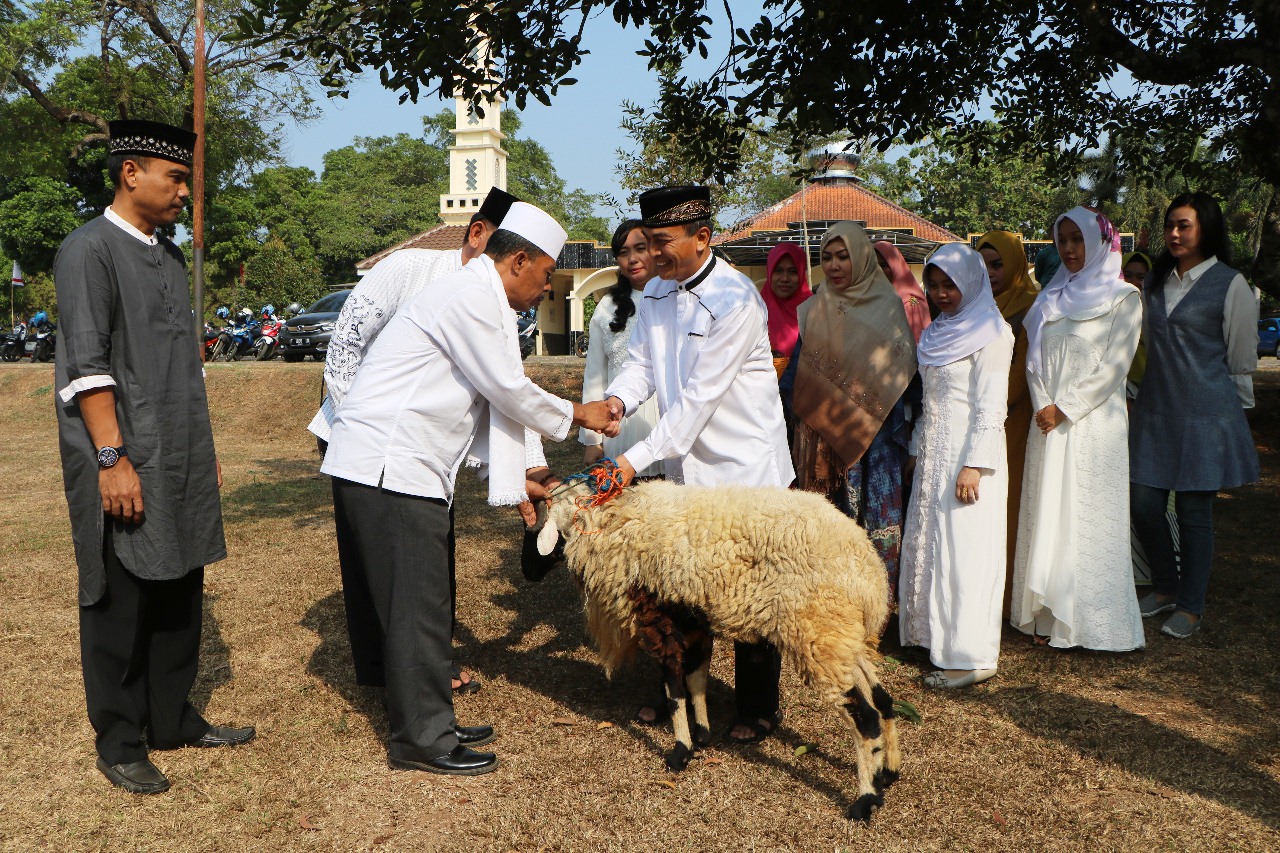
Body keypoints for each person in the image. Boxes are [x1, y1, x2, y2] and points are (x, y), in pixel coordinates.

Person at [321, 201, 619, 776]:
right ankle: (422, 738)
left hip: (396, 466)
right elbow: (508, 390)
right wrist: (579, 414)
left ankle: (431, 717)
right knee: (417, 605)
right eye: (546, 274)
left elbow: (484, 409)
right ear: (519, 260)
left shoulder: (481, 296)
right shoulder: (472, 295)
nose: (546, 287)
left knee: (425, 602)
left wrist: (522, 478)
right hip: (391, 467)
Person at [53, 119, 254, 795]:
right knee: (122, 595)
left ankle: (170, 716)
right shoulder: (88, 251)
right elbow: (86, 366)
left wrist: (205, 449)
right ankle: (120, 736)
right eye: (175, 179)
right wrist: (111, 457)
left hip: (180, 452)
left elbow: (184, 364)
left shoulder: (170, 257)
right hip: (125, 453)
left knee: (179, 587)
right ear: (130, 172)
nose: (182, 195)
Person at [603, 185, 794, 746]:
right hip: (687, 470)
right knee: (683, 589)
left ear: (702, 238)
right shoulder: (658, 291)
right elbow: (641, 363)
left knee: (752, 595)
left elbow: (696, 402)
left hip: (744, 470)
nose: (653, 256)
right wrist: (617, 401)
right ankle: (683, 698)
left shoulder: (735, 300)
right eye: (648, 243)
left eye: (662, 243)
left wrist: (631, 463)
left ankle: (758, 708)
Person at [309, 186, 517, 697]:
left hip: (424, 450)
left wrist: (524, 473)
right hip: (361, 435)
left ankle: (426, 667)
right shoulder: (407, 268)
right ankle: (388, 675)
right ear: (477, 235)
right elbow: (344, 347)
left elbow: (504, 392)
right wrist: (362, 424)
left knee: (427, 557)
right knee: (372, 563)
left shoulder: (495, 301)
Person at [1011, 207, 1145, 651]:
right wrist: (1042, 406)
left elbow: (1114, 368)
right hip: (1046, 424)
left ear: (1100, 241)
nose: (1068, 249)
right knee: (1049, 510)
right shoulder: (1051, 298)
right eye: (1062, 240)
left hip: (1091, 427)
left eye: (1077, 239)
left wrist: (1065, 408)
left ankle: (1094, 622)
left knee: (1085, 515)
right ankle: (1048, 616)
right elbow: (1033, 361)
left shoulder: (1124, 298)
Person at [1129, 192, 1260, 639]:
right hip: (1156, 411)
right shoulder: (1154, 283)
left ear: (1206, 229)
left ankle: (1190, 605)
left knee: (1193, 512)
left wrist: (1231, 420)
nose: (1174, 234)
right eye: (1170, 225)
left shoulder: (1231, 283)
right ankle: (1165, 587)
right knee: (1144, 505)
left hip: (1205, 414)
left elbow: (1241, 358)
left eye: (1184, 225)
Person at [898, 243, 1013, 688]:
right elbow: (930, 404)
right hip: (934, 455)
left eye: (951, 285)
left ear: (972, 282)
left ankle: (972, 655)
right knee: (933, 543)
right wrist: (915, 448)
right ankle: (933, 637)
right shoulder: (935, 332)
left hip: (969, 458)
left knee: (966, 551)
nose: (942, 293)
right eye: (935, 284)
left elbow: (991, 408)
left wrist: (975, 466)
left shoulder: (993, 332)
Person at [782, 222, 917, 599]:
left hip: (876, 443)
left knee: (871, 523)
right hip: (821, 436)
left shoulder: (888, 307)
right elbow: (795, 377)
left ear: (859, 257)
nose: (835, 265)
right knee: (830, 522)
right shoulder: (814, 308)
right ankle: (830, 601)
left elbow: (904, 378)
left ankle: (874, 604)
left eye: (843, 256)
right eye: (826, 258)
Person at [976, 230, 1040, 617]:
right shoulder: (974, 306)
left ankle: (1008, 598)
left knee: (1011, 502)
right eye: (981, 265)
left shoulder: (1030, 307)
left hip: (1012, 418)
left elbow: (1023, 369)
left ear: (1015, 265)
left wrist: (989, 406)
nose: (989, 273)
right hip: (980, 418)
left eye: (997, 264)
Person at [580, 219, 661, 474]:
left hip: (667, 424)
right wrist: (593, 439)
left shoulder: (675, 299)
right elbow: (595, 376)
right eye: (624, 253)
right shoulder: (606, 307)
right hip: (619, 428)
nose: (633, 259)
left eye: (640, 248)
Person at [873, 241, 931, 343]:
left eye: (883, 265)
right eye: (874, 266)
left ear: (895, 267)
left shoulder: (910, 303)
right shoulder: (871, 298)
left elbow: (915, 344)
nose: (879, 271)